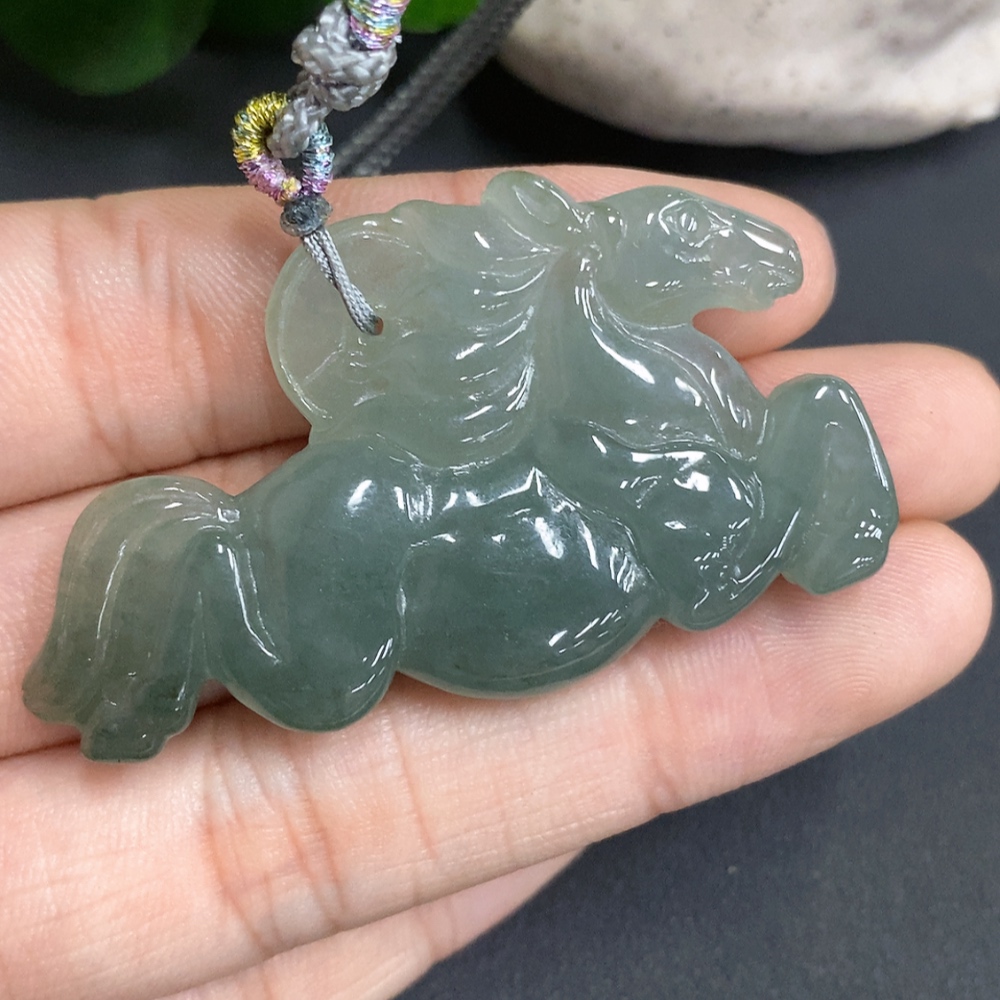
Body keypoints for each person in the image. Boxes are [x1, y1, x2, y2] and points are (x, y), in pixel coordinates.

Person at [0, 165, 996, 1000]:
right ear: (608, 272)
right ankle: (189, 584)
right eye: (688, 239)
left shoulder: (658, 415)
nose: (740, 256)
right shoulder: (625, 450)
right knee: (317, 689)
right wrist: (818, 440)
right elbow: (710, 586)